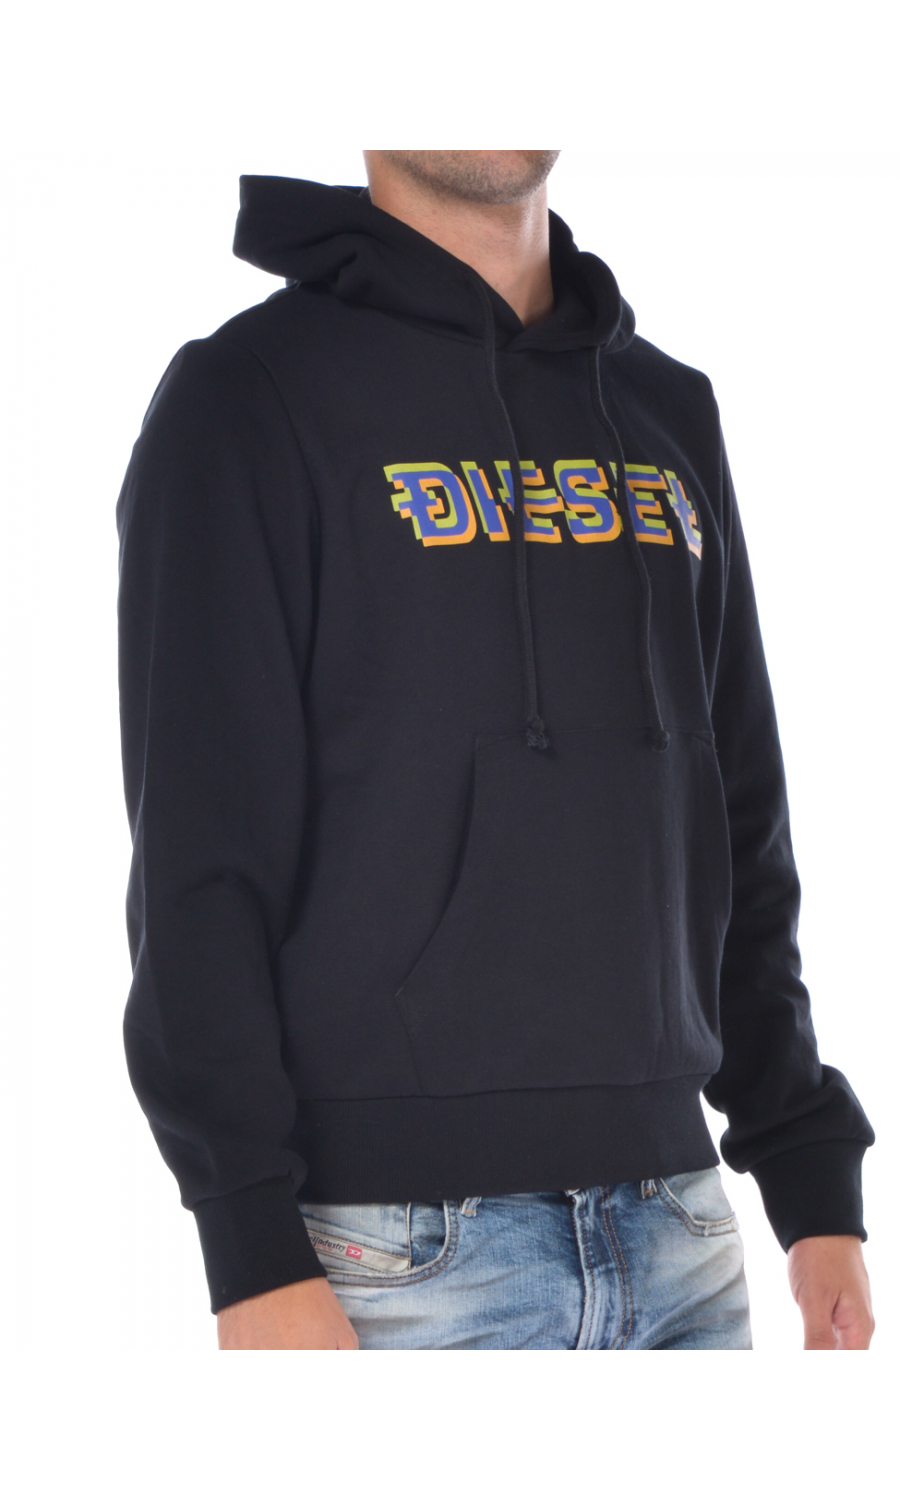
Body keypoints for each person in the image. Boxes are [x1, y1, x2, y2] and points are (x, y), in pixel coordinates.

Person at [116, 150, 875, 1350]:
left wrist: (804, 1159)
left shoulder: (665, 406)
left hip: (681, 1229)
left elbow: (736, 805)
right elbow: (199, 854)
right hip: (396, 1259)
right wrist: (247, 1243)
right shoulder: (250, 395)